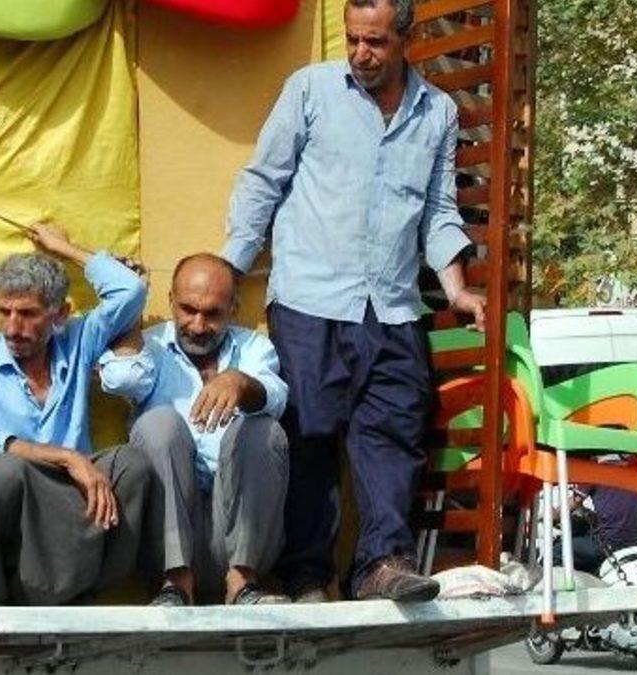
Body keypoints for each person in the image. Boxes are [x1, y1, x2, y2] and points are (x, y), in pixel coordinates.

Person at [222, 0, 487, 603]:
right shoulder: (310, 89)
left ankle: (381, 566)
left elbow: (438, 210)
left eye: (375, 43)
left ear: (405, 39)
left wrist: (455, 289)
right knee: (308, 439)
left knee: (394, 436)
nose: (361, 54)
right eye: (352, 40)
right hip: (309, 300)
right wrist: (231, 269)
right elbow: (264, 179)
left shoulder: (438, 111)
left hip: (393, 307)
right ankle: (309, 577)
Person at [0, 223, 158, 605]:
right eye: (4, 311)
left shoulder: (77, 339)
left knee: (131, 465)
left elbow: (131, 290)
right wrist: (66, 457)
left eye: (28, 314)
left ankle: (84, 592)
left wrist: (65, 249)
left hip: (62, 506)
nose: (12, 327)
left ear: (60, 314)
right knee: (6, 469)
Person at [100, 253, 290, 606]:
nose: (199, 325)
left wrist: (240, 383)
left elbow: (276, 398)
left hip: (235, 535)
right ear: (171, 300)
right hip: (163, 539)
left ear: (234, 309)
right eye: (188, 309)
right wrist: (130, 305)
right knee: (159, 424)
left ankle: (242, 583)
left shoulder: (253, 348)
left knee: (262, 429)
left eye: (212, 314)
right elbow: (121, 378)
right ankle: (176, 584)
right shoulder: (150, 346)